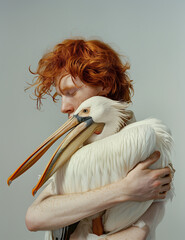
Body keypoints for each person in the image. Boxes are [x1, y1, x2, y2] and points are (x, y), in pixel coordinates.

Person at [25, 39, 173, 240]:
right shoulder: (80, 147)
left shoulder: (149, 146)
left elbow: (138, 234)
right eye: (60, 95)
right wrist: (125, 189)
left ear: (104, 84)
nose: (63, 107)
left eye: (71, 92)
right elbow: (35, 217)